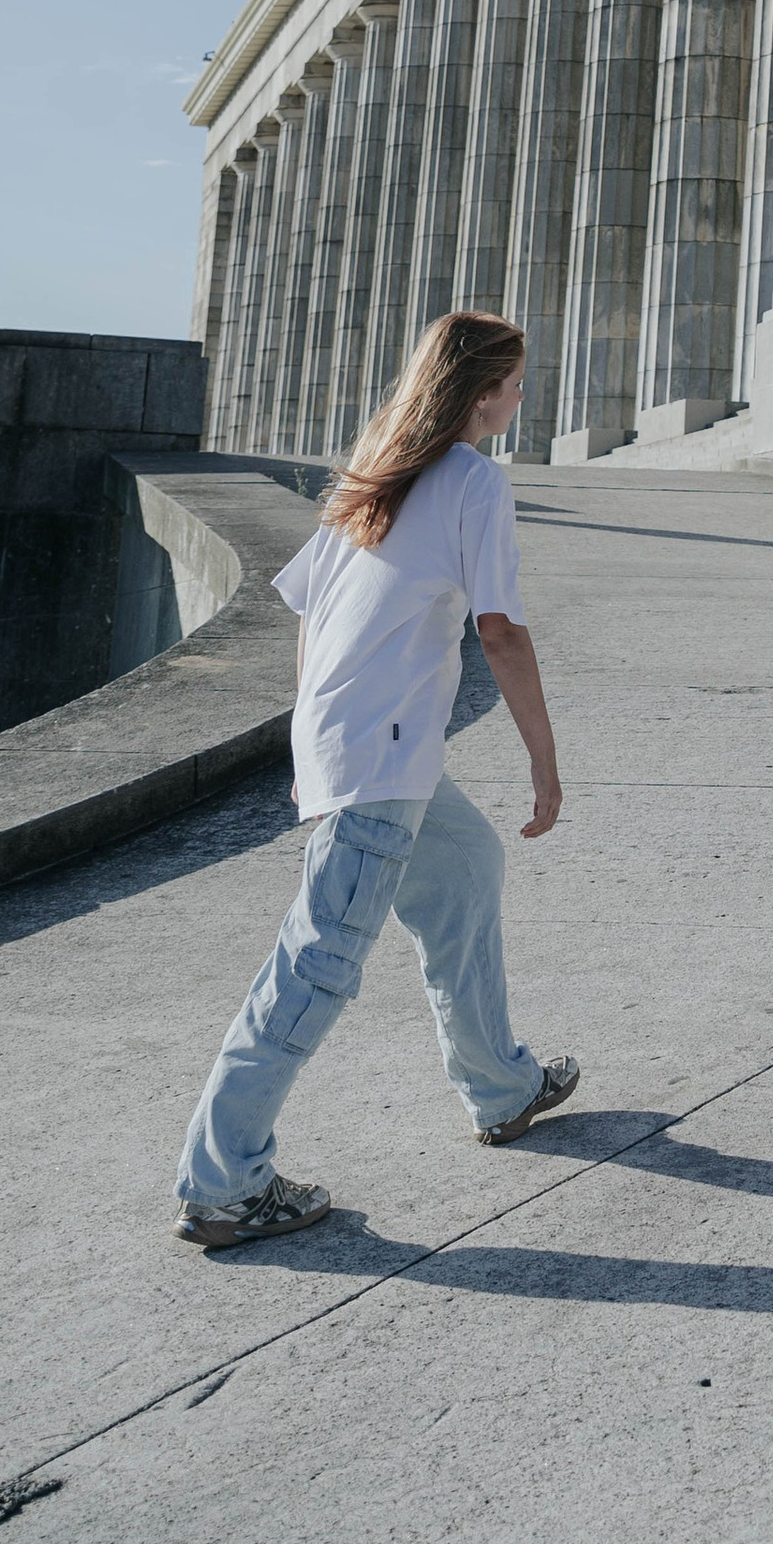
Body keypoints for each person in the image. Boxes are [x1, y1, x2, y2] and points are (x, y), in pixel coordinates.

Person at [173, 310, 578, 1251]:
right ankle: (222, 1182)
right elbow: (502, 632)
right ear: (482, 393)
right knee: (316, 966)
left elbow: (310, 616)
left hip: (364, 745)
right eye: (516, 382)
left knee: (466, 864)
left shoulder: (376, 477)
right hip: (381, 760)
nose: (523, 396)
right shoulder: (472, 481)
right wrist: (544, 761)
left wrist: (319, 736)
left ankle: (502, 1085)